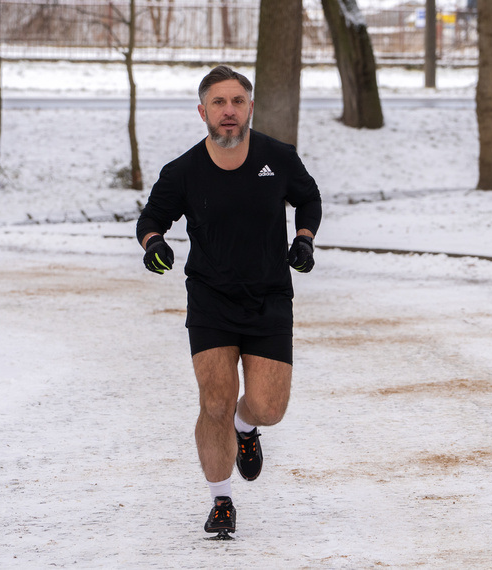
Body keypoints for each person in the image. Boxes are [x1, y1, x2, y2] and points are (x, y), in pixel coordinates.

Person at [136, 65, 322, 538]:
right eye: (219, 103)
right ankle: (221, 501)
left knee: (268, 406)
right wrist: (154, 244)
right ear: (203, 111)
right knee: (214, 400)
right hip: (211, 299)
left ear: (250, 108)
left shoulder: (277, 158)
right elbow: (151, 219)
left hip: (269, 297)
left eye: (237, 101)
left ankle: (247, 426)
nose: (229, 111)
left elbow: (309, 197)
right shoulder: (182, 171)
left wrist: (304, 239)